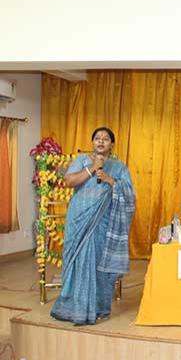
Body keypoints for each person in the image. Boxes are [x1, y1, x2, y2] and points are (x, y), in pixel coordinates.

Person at [51, 127, 135, 325]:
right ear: (92, 142)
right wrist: (92, 168)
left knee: (99, 263)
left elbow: (130, 195)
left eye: (106, 139)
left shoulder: (119, 167)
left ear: (112, 144)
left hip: (103, 221)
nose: (101, 142)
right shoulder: (81, 161)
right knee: (76, 260)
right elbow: (69, 181)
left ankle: (98, 307)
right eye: (97, 138)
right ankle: (71, 307)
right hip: (78, 219)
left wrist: (111, 180)